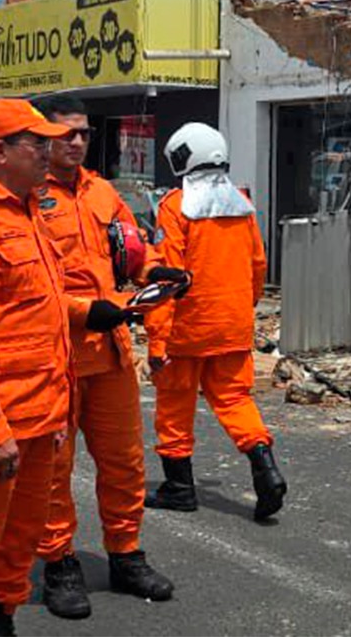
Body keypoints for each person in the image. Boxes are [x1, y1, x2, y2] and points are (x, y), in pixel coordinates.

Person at [0, 98, 131, 635]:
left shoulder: (30, 211)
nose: (48, 151)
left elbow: (44, 310)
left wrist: (60, 408)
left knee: (19, 541)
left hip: (43, 416)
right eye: (36, 143)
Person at [32, 96, 183, 619]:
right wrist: (81, 311)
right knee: (54, 470)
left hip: (111, 353)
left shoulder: (102, 192)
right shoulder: (25, 198)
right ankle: (59, 564)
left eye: (84, 133)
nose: (76, 142)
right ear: (42, 138)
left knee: (124, 463)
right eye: (65, 133)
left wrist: (157, 273)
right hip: (54, 357)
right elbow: (24, 288)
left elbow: (133, 250)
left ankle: (126, 555)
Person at [144, 123, 287, 521]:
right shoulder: (241, 205)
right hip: (232, 325)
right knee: (235, 399)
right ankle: (265, 466)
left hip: (186, 330)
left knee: (174, 407)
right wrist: (243, 308)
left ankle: (179, 488)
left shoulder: (175, 206)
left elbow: (167, 277)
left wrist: (157, 340)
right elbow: (257, 265)